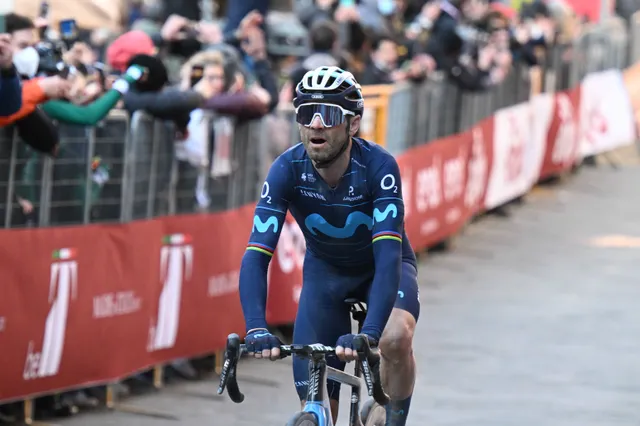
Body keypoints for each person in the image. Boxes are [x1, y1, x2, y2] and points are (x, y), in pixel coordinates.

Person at [238, 66, 420, 426]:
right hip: (326, 276)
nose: (317, 124)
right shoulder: (285, 169)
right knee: (316, 411)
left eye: (330, 114)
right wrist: (256, 326)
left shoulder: (378, 167)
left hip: (381, 269)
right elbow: (256, 256)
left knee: (395, 338)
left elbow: (386, 258)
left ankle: (393, 417)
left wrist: (370, 333)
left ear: (353, 124)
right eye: (307, 113)